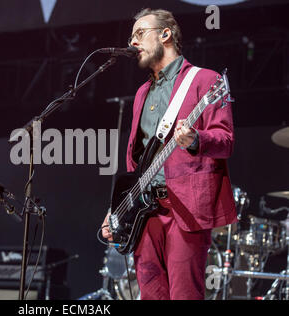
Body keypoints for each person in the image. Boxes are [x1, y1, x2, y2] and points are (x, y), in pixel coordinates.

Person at [101, 8, 237, 300]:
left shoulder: (205, 80)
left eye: (140, 34)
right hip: (144, 214)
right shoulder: (141, 93)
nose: (133, 42)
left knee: (185, 294)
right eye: (131, 36)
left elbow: (225, 141)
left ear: (165, 34)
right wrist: (119, 209)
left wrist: (194, 139)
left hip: (185, 209)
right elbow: (136, 160)